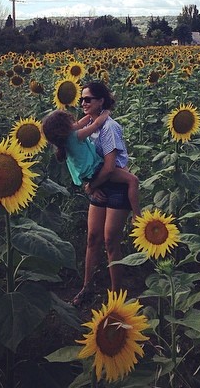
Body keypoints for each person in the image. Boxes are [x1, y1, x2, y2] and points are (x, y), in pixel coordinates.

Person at [67, 81, 140, 307]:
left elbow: (109, 168)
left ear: (101, 101)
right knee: (92, 239)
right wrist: (92, 185)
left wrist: (90, 186)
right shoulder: (89, 125)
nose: (83, 103)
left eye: (88, 99)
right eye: (81, 99)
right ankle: (86, 288)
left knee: (110, 242)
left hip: (115, 186)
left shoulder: (109, 127)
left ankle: (117, 297)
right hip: (99, 186)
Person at [41, 108, 141, 216]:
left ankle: (100, 189)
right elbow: (96, 125)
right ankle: (136, 215)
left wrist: (90, 115)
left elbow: (80, 123)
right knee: (132, 180)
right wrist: (105, 113)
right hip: (95, 169)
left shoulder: (63, 140)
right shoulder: (76, 136)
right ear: (65, 125)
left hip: (86, 175)